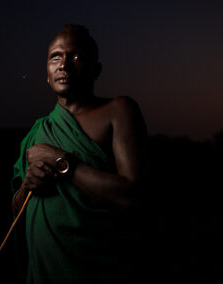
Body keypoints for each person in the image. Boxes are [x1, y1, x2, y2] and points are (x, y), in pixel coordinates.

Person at [11, 24, 148, 284]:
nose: (64, 65)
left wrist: (62, 162)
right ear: (48, 74)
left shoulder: (118, 110)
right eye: (56, 57)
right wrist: (26, 186)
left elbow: (134, 197)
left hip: (97, 266)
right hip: (43, 271)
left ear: (95, 70)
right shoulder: (37, 131)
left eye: (76, 57)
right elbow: (17, 207)